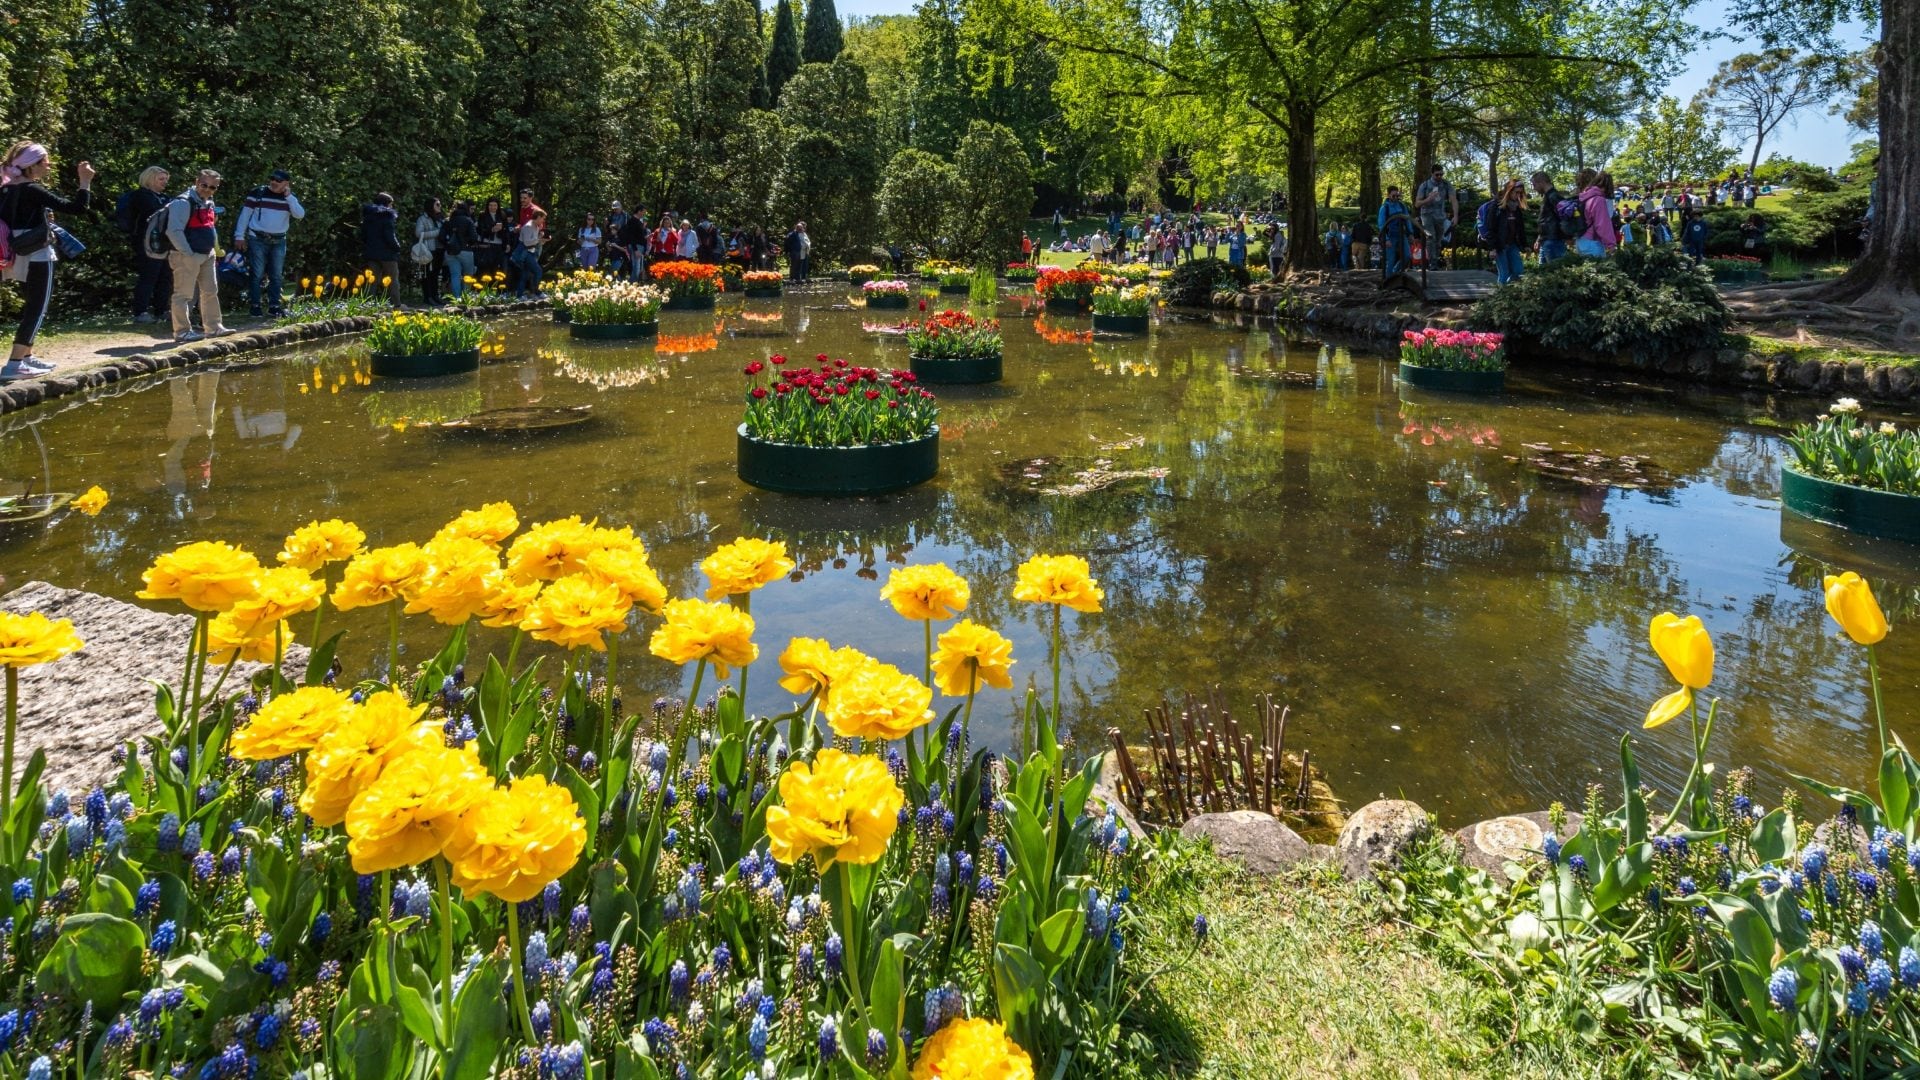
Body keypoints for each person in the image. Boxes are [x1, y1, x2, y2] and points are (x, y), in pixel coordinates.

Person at [0, 141, 94, 378]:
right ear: (33, 165)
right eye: (46, 161)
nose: (49, 165)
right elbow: (76, 208)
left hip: (16, 252)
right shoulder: (32, 189)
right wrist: (85, 181)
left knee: (31, 305)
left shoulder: (5, 189)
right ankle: (14, 365)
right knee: (37, 309)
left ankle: (27, 357)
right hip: (37, 253)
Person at [163, 168, 232, 342]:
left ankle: (214, 327)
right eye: (204, 185)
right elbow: (174, 231)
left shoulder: (209, 202)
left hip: (207, 254)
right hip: (185, 255)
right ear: (196, 182)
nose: (208, 189)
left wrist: (214, 251)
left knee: (210, 291)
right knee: (183, 295)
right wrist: (188, 253)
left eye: (213, 187)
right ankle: (182, 331)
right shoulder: (182, 202)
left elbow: (210, 227)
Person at [232, 168, 304, 318]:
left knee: (276, 275)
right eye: (272, 178)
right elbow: (245, 215)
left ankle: (274, 306)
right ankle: (255, 306)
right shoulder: (257, 193)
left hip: (279, 240)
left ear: (286, 183)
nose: (274, 182)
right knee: (257, 274)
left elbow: (299, 214)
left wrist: (289, 197)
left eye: (278, 180)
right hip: (257, 238)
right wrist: (239, 235)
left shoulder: (290, 198)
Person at [127, 165, 172, 324]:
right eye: (161, 179)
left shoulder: (165, 197)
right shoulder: (141, 196)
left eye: (166, 179)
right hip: (146, 242)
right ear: (150, 179)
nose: (164, 182)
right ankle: (141, 312)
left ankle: (162, 310)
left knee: (165, 276)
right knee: (148, 276)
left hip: (164, 243)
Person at [361, 192, 402, 305]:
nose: (392, 207)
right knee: (393, 280)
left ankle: (367, 305)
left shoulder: (368, 218)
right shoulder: (387, 218)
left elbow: (363, 236)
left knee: (372, 281)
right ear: (387, 204)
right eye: (391, 204)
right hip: (387, 254)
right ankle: (396, 304)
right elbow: (390, 237)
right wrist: (397, 247)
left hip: (372, 253)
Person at [1415, 164, 1457, 270]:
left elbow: (1453, 199)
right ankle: (1432, 264)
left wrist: (1456, 216)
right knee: (1431, 238)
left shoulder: (1446, 184)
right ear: (1432, 174)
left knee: (1438, 241)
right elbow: (1417, 204)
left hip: (1440, 215)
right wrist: (1428, 200)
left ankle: (1435, 261)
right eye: (1437, 175)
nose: (1439, 177)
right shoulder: (1424, 185)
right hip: (1427, 214)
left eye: (1441, 174)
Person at [1574, 169, 1618, 257]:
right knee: (1599, 270)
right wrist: (1611, 245)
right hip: (1592, 243)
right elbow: (1602, 225)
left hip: (1580, 240)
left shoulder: (1584, 196)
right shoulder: (1598, 200)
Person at [1492, 180, 1528, 285]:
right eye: (1516, 192)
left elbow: (1520, 228)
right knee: (1504, 273)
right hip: (1500, 245)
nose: (1518, 195)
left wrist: (1525, 245)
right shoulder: (1497, 206)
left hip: (1512, 244)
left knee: (1519, 271)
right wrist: (1492, 247)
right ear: (1509, 191)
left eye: (1520, 193)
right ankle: (1501, 298)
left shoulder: (1517, 208)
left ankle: (1510, 295)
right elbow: (1491, 228)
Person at [1529, 171, 1569, 264]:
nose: (1534, 188)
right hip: (1546, 240)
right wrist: (1539, 239)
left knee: (1554, 270)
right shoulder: (1548, 197)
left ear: (1541, 182)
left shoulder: (1554, 197)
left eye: (1534, 185)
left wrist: (1567, 236)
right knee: (1543, 272)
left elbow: (1564, 217)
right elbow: (1545, 220)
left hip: (1554, 240)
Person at [443, 200, 478, 297]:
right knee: (468, 276)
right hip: (465, 250)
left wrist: (447, 244)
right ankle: (466, 298)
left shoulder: (448, 221)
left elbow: (441, 237)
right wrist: (468, 243)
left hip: (450, 251)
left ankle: (457, 299)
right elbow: (474, 237)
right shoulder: (468, 220)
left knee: (455, 275)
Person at [414, 197, 445, 306]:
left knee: (436, 274)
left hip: (440, 249)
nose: (439, 206)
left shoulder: (440, 218)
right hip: (429, 250)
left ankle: (436, 296)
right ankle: (428, 297)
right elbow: (419, 234)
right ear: (430, 206)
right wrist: (437, 232)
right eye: (437, 204)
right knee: (428, 274)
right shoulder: (422, 219)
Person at [1377, 186, 1413, 278]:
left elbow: (1407, 219)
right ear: (1388, 195)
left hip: (1402, 234)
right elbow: (1381, 225)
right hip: (1390, 235)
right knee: (1391, 259)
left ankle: (1395, 271)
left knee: (1407, 256)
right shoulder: (1384, 208)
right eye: (1393, 196)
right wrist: (1386, 239)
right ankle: (1388, 279)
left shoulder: (1401, 205)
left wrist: (1410, 233)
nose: (1396, 198)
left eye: (1397, 196)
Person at [512, 208, 546, 298]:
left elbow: (533, 240)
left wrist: (540, 238)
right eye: (543, 218)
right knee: (538, 271)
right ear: (538, 217)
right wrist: (539, 239)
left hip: (530, 252)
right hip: (525, 252)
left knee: (525, 274)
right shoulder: (528, 226)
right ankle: (536, 292)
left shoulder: (536, 226)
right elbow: (527, 242)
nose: (543, 221)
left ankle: (519, 295)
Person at [476, 197, 510, 276]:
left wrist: (507, 243)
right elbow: (480, 230)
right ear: (487, 206)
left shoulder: (502, 215)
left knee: (496, 267)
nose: (493, 207)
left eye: (495, 205)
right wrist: (491, 230)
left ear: (498, 206)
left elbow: (506, 231)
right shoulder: (483, 215)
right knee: (486, 267)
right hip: (487, 244)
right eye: (490, 205)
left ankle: (494, 286)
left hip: (499, 244)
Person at [618, 210, 650, 281]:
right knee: (636, 267)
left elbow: (640, 238)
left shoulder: (643, 228)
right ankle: (632, 284)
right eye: (643, 221)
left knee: (638, 267)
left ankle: (634, 283)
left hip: (640, 248)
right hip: (636, 248)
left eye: (645, 222)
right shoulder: (633, 222)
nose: (644, 223)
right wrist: (636, 250)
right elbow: (631, 237)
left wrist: (647, 238)